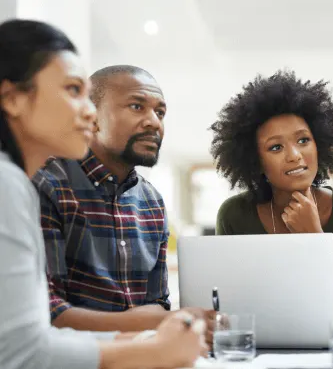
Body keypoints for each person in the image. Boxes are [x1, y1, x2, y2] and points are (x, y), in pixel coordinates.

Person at [0, 19, 205, 369]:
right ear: (13, 99)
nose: (88, 111)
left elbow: (31, 338)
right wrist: (153, 350)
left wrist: (153, 338)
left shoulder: (151, 200)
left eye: (160, 112)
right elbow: (24, 350)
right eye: (72, 90)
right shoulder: (15, 183)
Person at [31, 64, 215, 344]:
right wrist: (152, 321)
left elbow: (157, 304)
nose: (154, 121)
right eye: (137, 106)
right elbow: (45, 312)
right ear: (92, 117)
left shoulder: (152, 202)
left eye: (160, 112)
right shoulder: (47, 185)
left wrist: (164, 321)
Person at [210, 70, 333, 317]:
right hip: (261, 351)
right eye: (276, 147)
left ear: (319, 144)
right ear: (256, 161)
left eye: (303, 140)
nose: (294, 154)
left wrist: (316, 240)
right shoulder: (235, 215)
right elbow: (229, 310)